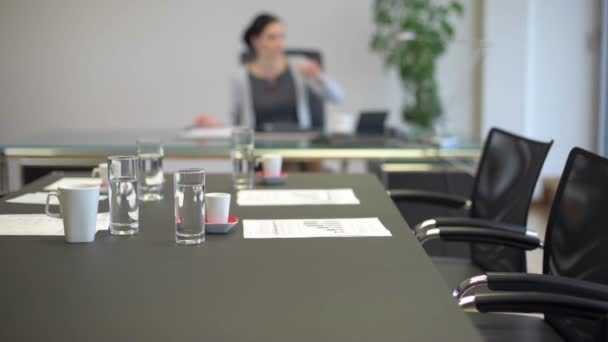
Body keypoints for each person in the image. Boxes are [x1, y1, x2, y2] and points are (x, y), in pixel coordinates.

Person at [195, 13, 344, 130]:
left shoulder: (300, 66)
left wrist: (319, 77)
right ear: (256, 41)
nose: (280, 44)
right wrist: (216, 126)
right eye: (272, 38)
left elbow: (338, 97)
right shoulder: (240, 77)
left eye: (282, 37)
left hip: (298, 144)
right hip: (259, 149)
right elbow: (236, 123)